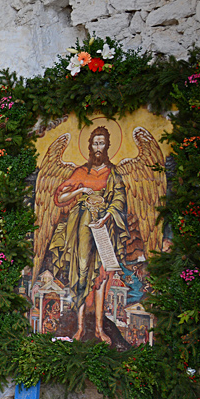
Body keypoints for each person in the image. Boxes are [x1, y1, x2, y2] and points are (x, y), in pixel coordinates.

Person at [46, 127, 130, 344]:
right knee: (82, 272)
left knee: (101, 275)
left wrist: (107, 216)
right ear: (90, 146)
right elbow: (60, 197)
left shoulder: (113, 174)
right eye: (95, 143)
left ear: (108, 146)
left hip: (103, 227)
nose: (98, 148)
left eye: (102, 143)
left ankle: (100, 329)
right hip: (81, 227)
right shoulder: (81, 172)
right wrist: (80, 191)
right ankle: (81, 327)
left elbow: (119, 200)